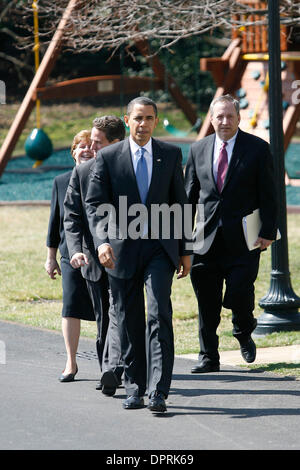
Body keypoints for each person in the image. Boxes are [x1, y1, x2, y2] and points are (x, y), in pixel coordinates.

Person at [85, 97, 192, 413]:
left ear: (156, 122)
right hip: (120, 250)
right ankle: (134, 387)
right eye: (137, 118)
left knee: (159, 312)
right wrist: (102, 241)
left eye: (149, 118)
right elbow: (94, 204)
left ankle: (159, 391)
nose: (143, 123)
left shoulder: (170, 155)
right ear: (127, 120)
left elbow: (180, 205)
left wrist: (186, 250)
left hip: (160, 248)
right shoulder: (107, 157)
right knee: (129, 318)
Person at [184, 94, 278, 373]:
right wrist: (181, 240)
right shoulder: (197, 149)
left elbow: (269, 195)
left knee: (239, 292)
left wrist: (268, 232)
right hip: (205, 241)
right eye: (219, 116)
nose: (224, 121)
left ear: (239, 118)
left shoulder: (258, 149)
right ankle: (208, 357)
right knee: (207, 301)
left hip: (245, 239)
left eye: (230, 116)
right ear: (211, 119)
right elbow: (188, 197)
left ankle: (243, 330)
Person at [63, 116, 126, 394]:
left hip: (128, 255)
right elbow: (72, 216)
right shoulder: (83, 172)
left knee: (121, 311)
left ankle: (117, 368)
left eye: (98, 143)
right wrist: (75, 250)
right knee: (104, 319)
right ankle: (108, 369)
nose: (92, 147)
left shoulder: (133, 169)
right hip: (93, 258)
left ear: (116, 143)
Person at [45, 129, 95, 382]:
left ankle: (111, 362)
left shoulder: (103, 178)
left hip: (100, 254)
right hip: (69, 254)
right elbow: (55, 222)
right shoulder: (60, 181)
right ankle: (71, 361)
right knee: (70, 308)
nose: (86, 149)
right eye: (81, 146)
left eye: (90, 145)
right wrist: (50, 257)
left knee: (106, 310)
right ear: (73, 151)